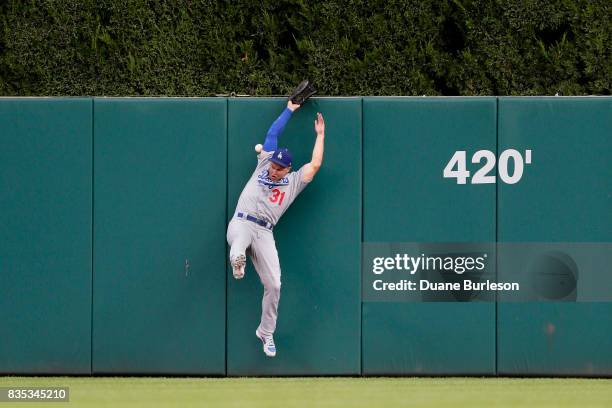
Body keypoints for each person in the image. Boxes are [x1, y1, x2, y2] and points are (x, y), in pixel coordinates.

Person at [226, 100, 325, 357]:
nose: (274, 168)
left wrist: (321, 136)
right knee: (238, 242)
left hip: (264, 232)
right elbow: (273, 133)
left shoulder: (292, 182)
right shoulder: (264, 162)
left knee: (275, 285)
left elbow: (314, 165)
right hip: (242, 221)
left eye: (279, 167)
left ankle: (266, 332)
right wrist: (290, 108)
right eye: (273, 164)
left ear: (288, 169)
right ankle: (237, 260)